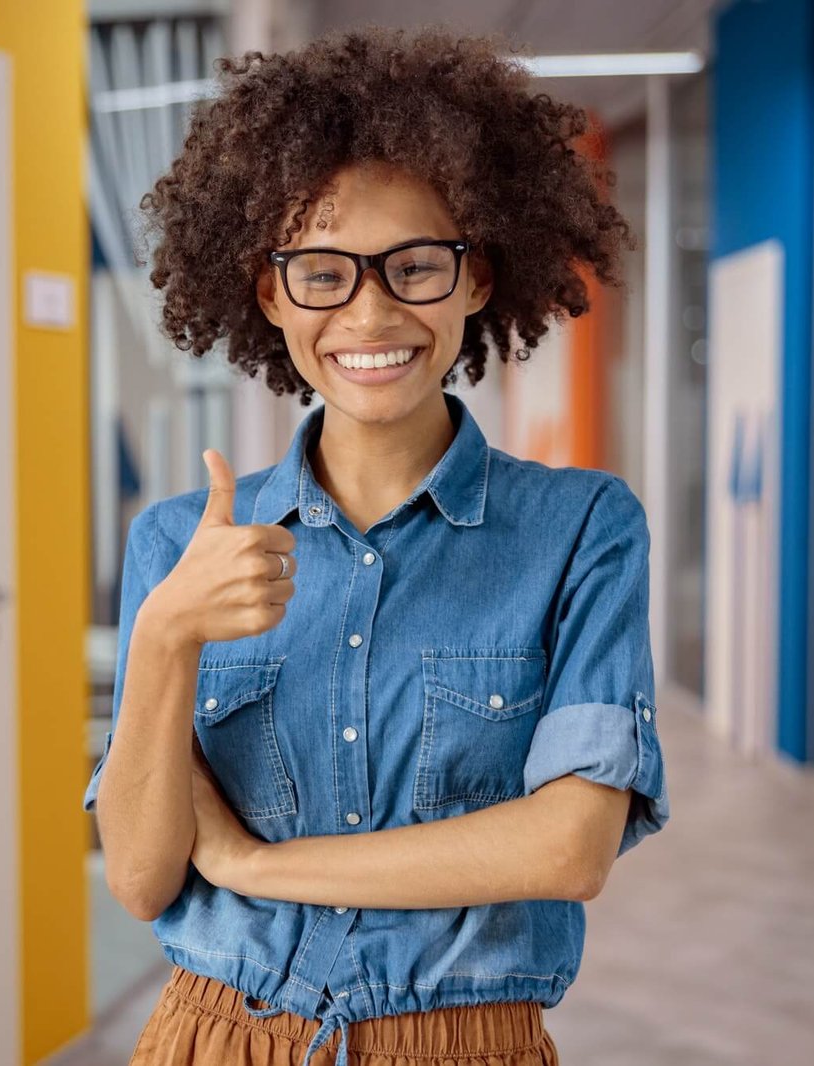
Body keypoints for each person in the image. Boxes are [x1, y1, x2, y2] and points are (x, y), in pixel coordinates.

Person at [82, 26, 670, 1066]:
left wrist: (258, 867)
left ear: (477, 278)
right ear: (270, 292)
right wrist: (168, 631)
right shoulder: (179, 540)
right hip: (220, 1036)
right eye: (322, 271)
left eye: (413, 265)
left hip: (464, 1041)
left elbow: (569, 847)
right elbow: (140, 877)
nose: (369, 311)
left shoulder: (580, 528)